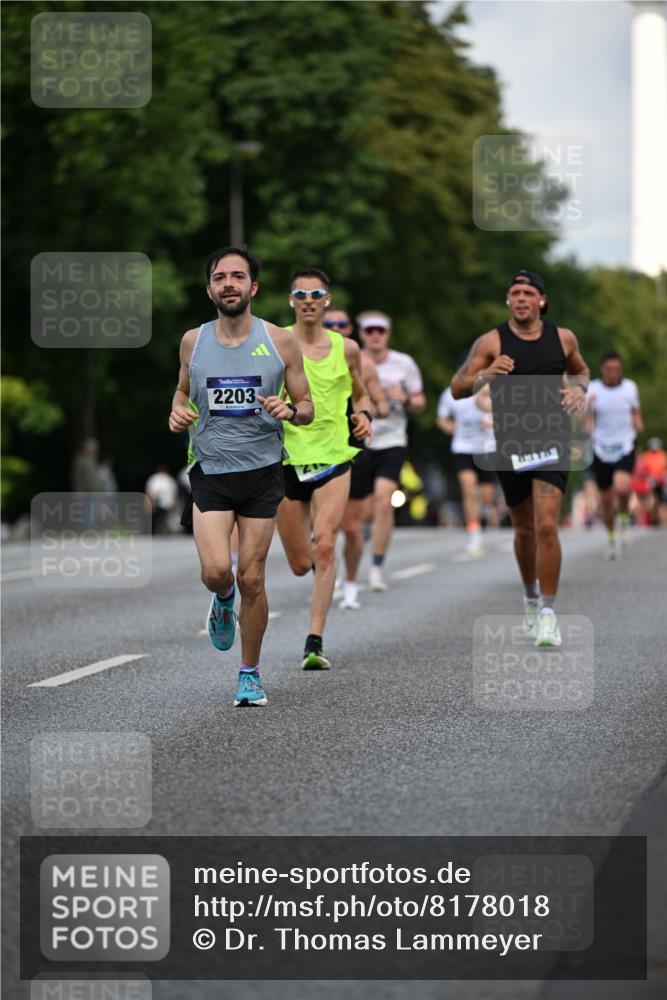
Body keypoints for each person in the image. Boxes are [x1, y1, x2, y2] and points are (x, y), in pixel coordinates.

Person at [169, 247, 313, 706]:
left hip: (262, 471)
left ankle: (249, 674)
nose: (228, 284)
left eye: (237, 276)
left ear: (253, 287)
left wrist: (290, 410)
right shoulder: (193, 341)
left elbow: (307, 406)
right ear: (209, 289)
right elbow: (182, 391)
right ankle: (223, 594)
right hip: (211, 470)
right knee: (217, 572)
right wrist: (177, 410)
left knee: (254, 578)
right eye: (219, 277)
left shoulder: (280, 341)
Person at [451, 269, 589, 647]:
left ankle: (548, 613)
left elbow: (581, 371)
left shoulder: (563, 338)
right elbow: (457, 387)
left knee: (547, 525)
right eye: (515, 293)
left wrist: (579, 392)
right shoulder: (492, 341)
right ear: (508, 300)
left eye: (528, 292)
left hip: (553, 441)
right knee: (525, 528)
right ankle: (530, 598)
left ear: (542, 300)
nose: (522, 298)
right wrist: (486, 374)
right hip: (510, 444)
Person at [277, 269, 372, 667]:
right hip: (286, 458)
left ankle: (314, 642)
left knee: (325, 544)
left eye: (316, 294)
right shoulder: (275, 342)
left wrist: (364, 415)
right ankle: (321, 571)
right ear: (291, 300)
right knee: (301, 564)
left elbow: (361, 393)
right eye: (301, 294)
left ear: (327, 300)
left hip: (333, 456)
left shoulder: (346, 348)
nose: (308, 301)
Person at [346, 311, 426, 594]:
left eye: (380, 330)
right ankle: (360, 544)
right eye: (370, 330)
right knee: (361, 513)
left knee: (384, 502)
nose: (375, 335)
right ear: (361, 334)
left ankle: (376, 568)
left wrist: (406, 399)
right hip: (358, 441)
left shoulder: (404, 363)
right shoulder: (352, 358)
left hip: (392, 440)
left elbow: (420, 403)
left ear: (388, 333)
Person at [323, 306, 389, 610]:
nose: (336, 329)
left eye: (342, 324)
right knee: (322, 531)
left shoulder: (361, 363)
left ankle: (349, 584)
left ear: (350, 329)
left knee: (349, 527)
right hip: (311, 449)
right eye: (330, 324)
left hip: (350, 447)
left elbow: (378, 404)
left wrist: (368, 413)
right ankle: (325, 568)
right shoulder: (300, 355)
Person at [585, 352, 643, 558]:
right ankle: (611, 537)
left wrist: (639, 426)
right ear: (602, 369)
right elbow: (586, 424)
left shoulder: (630, 387)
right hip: (601, 448)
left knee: (622, 487)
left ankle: (625, 516)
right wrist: (588, 408)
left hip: (625, 446)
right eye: (609, 370)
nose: (613, 373)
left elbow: (635, 412)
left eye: (616, 369)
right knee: (607, 500)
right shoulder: (593, 389)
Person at [437, 383, 497, 553]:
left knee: (486, 495)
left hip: (487, 448)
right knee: (468, 488)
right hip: (462, 447)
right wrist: (448, 426)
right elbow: (441, 418)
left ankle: (485, 510)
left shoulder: (490, 388)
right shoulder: (451, 393)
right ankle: (474, 535)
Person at [145, 466, 178, 535]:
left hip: (166, 503)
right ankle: (156, 531)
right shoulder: (155, 479)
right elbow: (150, 492)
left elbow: (173, 492)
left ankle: (161, 531)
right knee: (156, 518)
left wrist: (173, 502)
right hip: (156, 502)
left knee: (164, 518)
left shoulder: (168, 479)